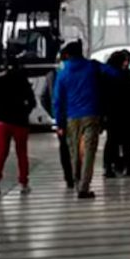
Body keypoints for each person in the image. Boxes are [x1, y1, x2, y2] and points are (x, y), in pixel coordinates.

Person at [53, 41, 119, 199]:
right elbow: (115, 73)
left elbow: (57, 100)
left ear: (68, 55)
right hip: (91, 114)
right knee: (89, 151)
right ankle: (84, 187)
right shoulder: (92, 66)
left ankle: (77, 182)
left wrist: (59, 122)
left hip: (71, 117)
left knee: (75, 152)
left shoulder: (63, 73)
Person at [0, 56, 36, 195]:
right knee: (21, 153)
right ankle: (23, 183)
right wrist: (25, 111)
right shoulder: (23, 81)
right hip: (20, 121)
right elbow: (32, 102)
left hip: (1, 121)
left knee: (1, 151)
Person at [102, 51, 130, 178]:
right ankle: (116, 164)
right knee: (118, 140)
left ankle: (118, 164)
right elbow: (128, 90)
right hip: (121, 111)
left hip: (117, 112)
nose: (127, 63)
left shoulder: (109, 74)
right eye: (126, 60)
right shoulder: (119, 74)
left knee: (117, 140)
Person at [42, 53, 73, 186]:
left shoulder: (51, 75)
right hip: (74, 114)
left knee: (64, 147)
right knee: (76, 146)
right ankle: (76, 173)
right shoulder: (72, 73)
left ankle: (68, 176)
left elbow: (43, 97)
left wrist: (53, 114)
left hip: (61, 117)